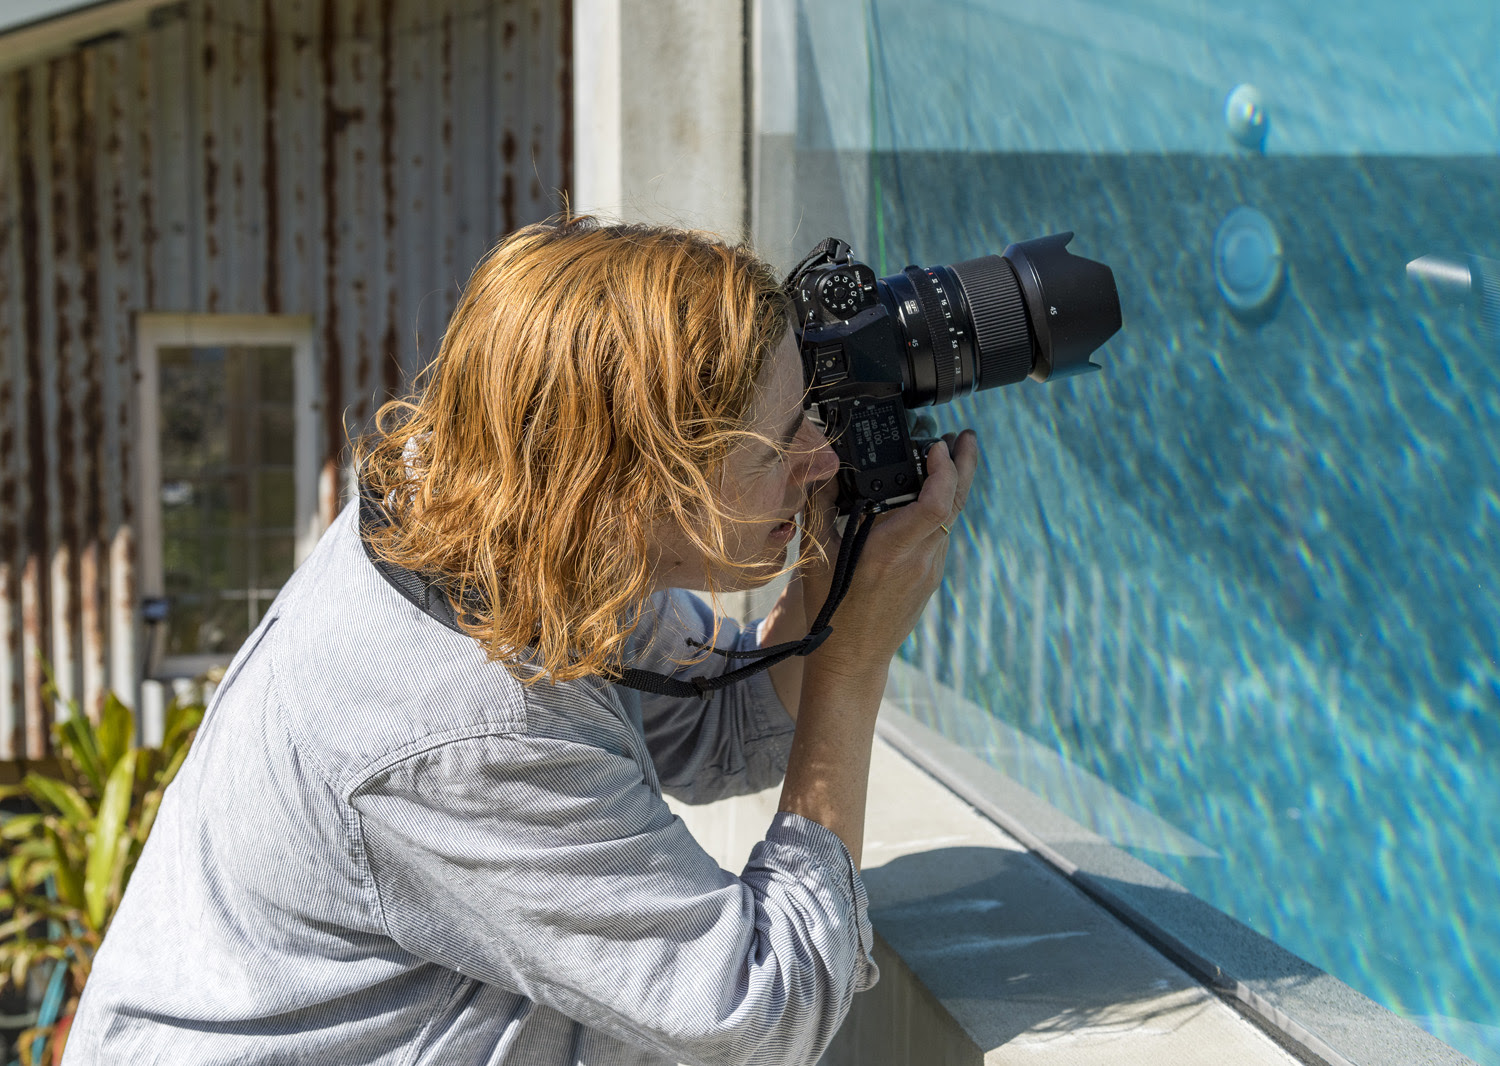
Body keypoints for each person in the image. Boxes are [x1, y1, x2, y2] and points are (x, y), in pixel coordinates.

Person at [64, 217, 978, 1066]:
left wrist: (829, 586)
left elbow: (716, 732)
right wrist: (853, 663)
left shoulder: (499, 521)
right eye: (780, 444)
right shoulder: (465, 721)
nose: (824, 457)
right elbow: (760, 1013)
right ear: (629, 487)